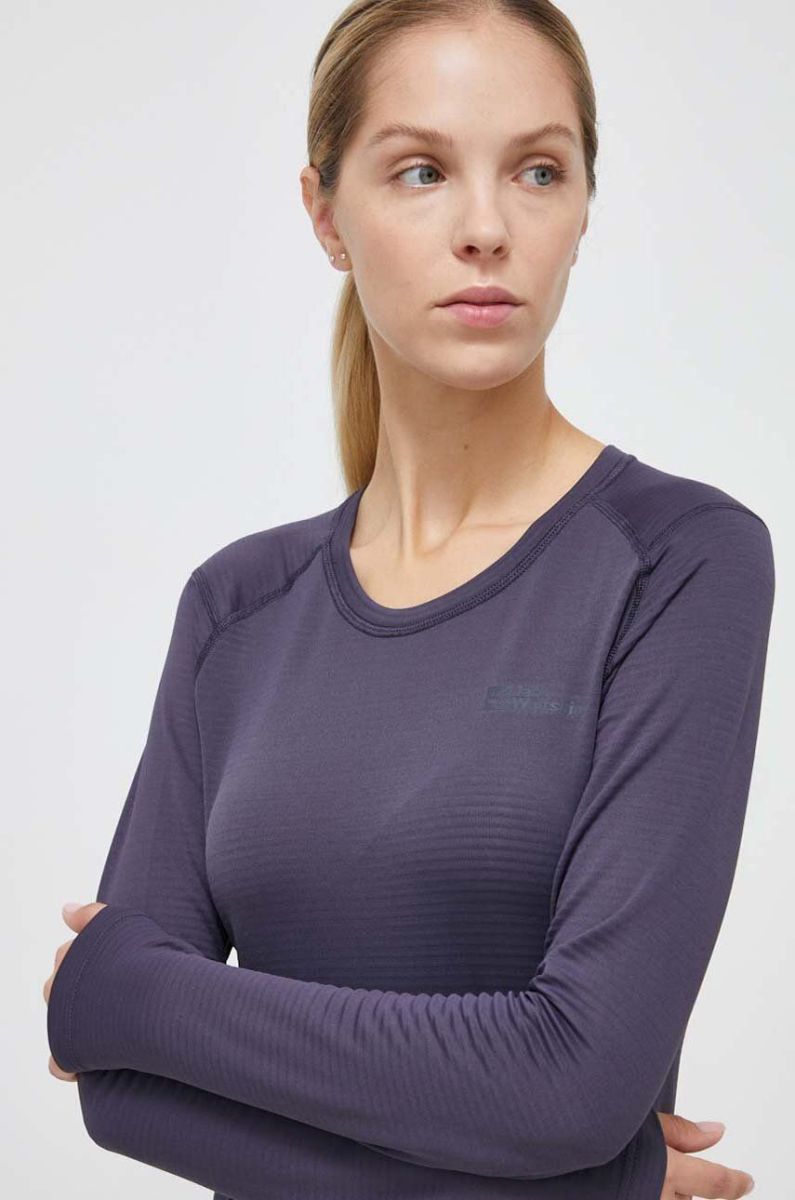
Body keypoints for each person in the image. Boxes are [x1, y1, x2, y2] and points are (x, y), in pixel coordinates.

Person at [44, 3, 771, 1198]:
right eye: (422, 171)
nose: (486, 228)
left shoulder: (678, 561)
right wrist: (604, 1184)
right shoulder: (237, 608)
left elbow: (574, 1083)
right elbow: (119, 1092)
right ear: (326, 214)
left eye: (538, 170)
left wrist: (148, 997)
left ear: (585, 207)